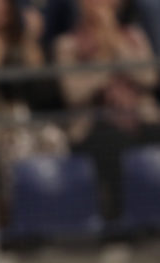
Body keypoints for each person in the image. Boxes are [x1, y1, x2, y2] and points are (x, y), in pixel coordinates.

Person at [54, 0, 160, 219]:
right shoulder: (67, 44)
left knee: (149, 135)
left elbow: (148, 78)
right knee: (112, 142)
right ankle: (118, 225)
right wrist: (106, 63)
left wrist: (114, 41)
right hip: (92, 123)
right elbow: (73, 93)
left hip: (139, 117)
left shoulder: (133, 36)